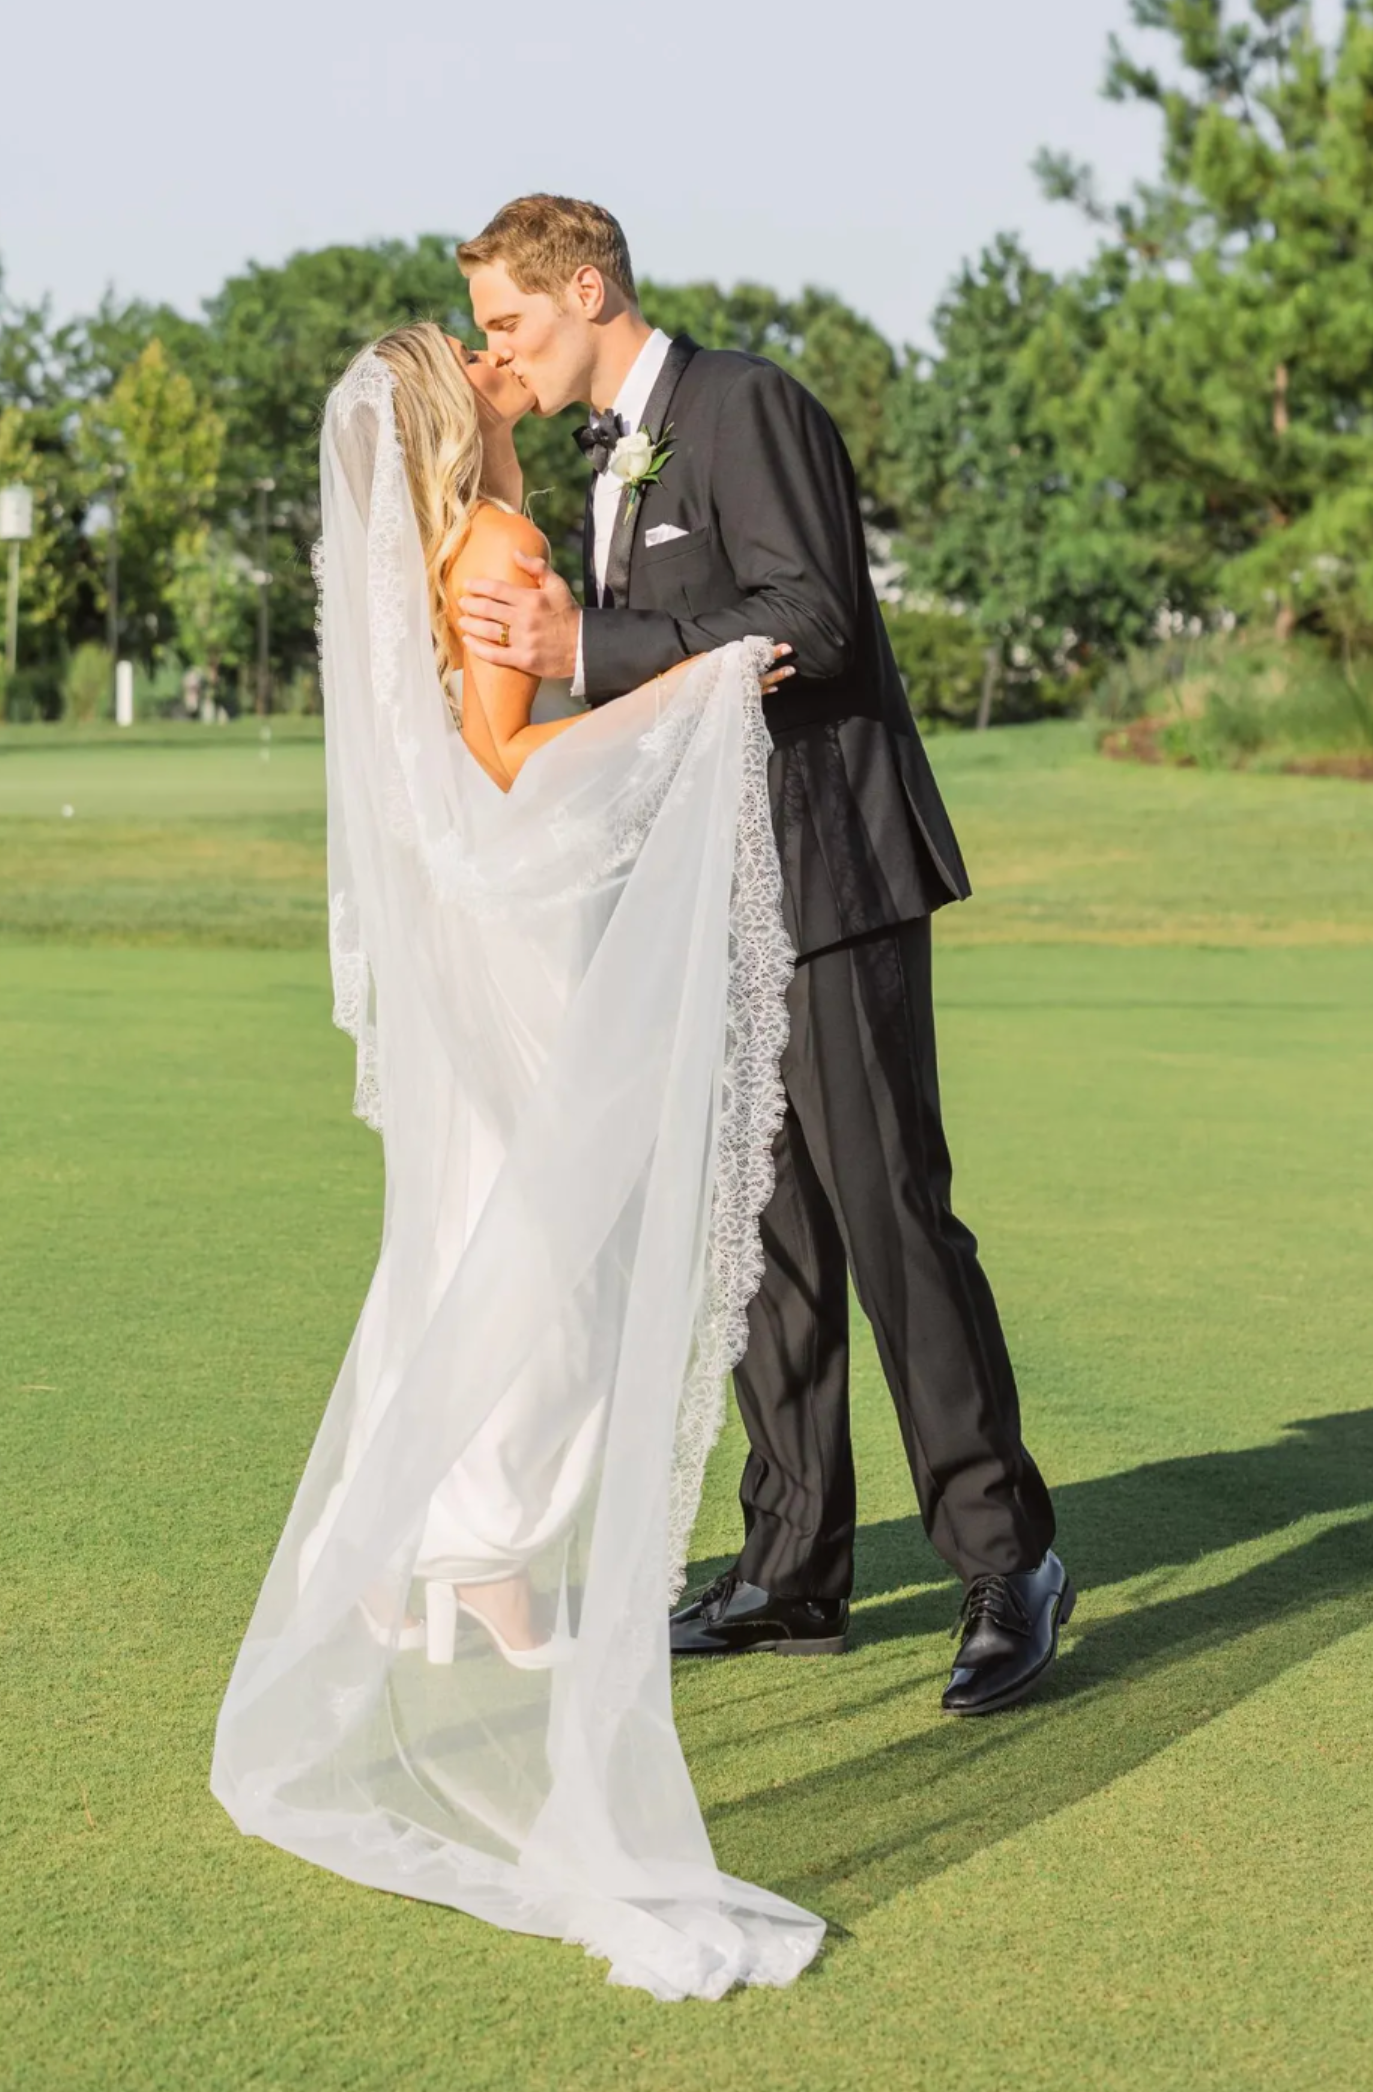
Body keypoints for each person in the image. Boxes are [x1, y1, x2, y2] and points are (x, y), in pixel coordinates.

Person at [212, 321, 823, 2000]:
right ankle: (480, 1538)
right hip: (530, 920)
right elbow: (500, 760)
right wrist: (687, 690)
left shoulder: (429, 553)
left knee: (491, 1209)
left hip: (491, 928)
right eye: (478, 370)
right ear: (453, 422)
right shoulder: (494, 540)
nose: (505, 377)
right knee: (557, 1228)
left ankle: (437, 1553)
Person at [452, 195, 1072, 1717]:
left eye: (508, 322)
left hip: (832, 877)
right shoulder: (597, 457)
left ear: (587, 287)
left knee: (889, 1221)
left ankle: (1009, 1558)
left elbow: (817, 619)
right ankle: (791, 1573)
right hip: (697, 898)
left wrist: (577, 651)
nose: (496, 349)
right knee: (766, 1241)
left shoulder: (746, 404)